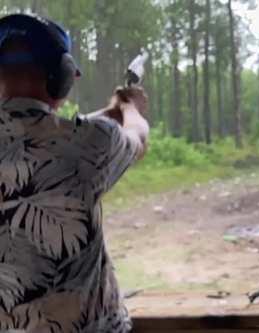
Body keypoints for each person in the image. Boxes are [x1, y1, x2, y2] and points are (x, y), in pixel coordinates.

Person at [0, 14, 149, 333]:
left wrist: (109, 112)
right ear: (63, 76)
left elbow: (33, 135)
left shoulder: (83, 140)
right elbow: (138, 138)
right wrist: (129, 107)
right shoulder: (90, 144)